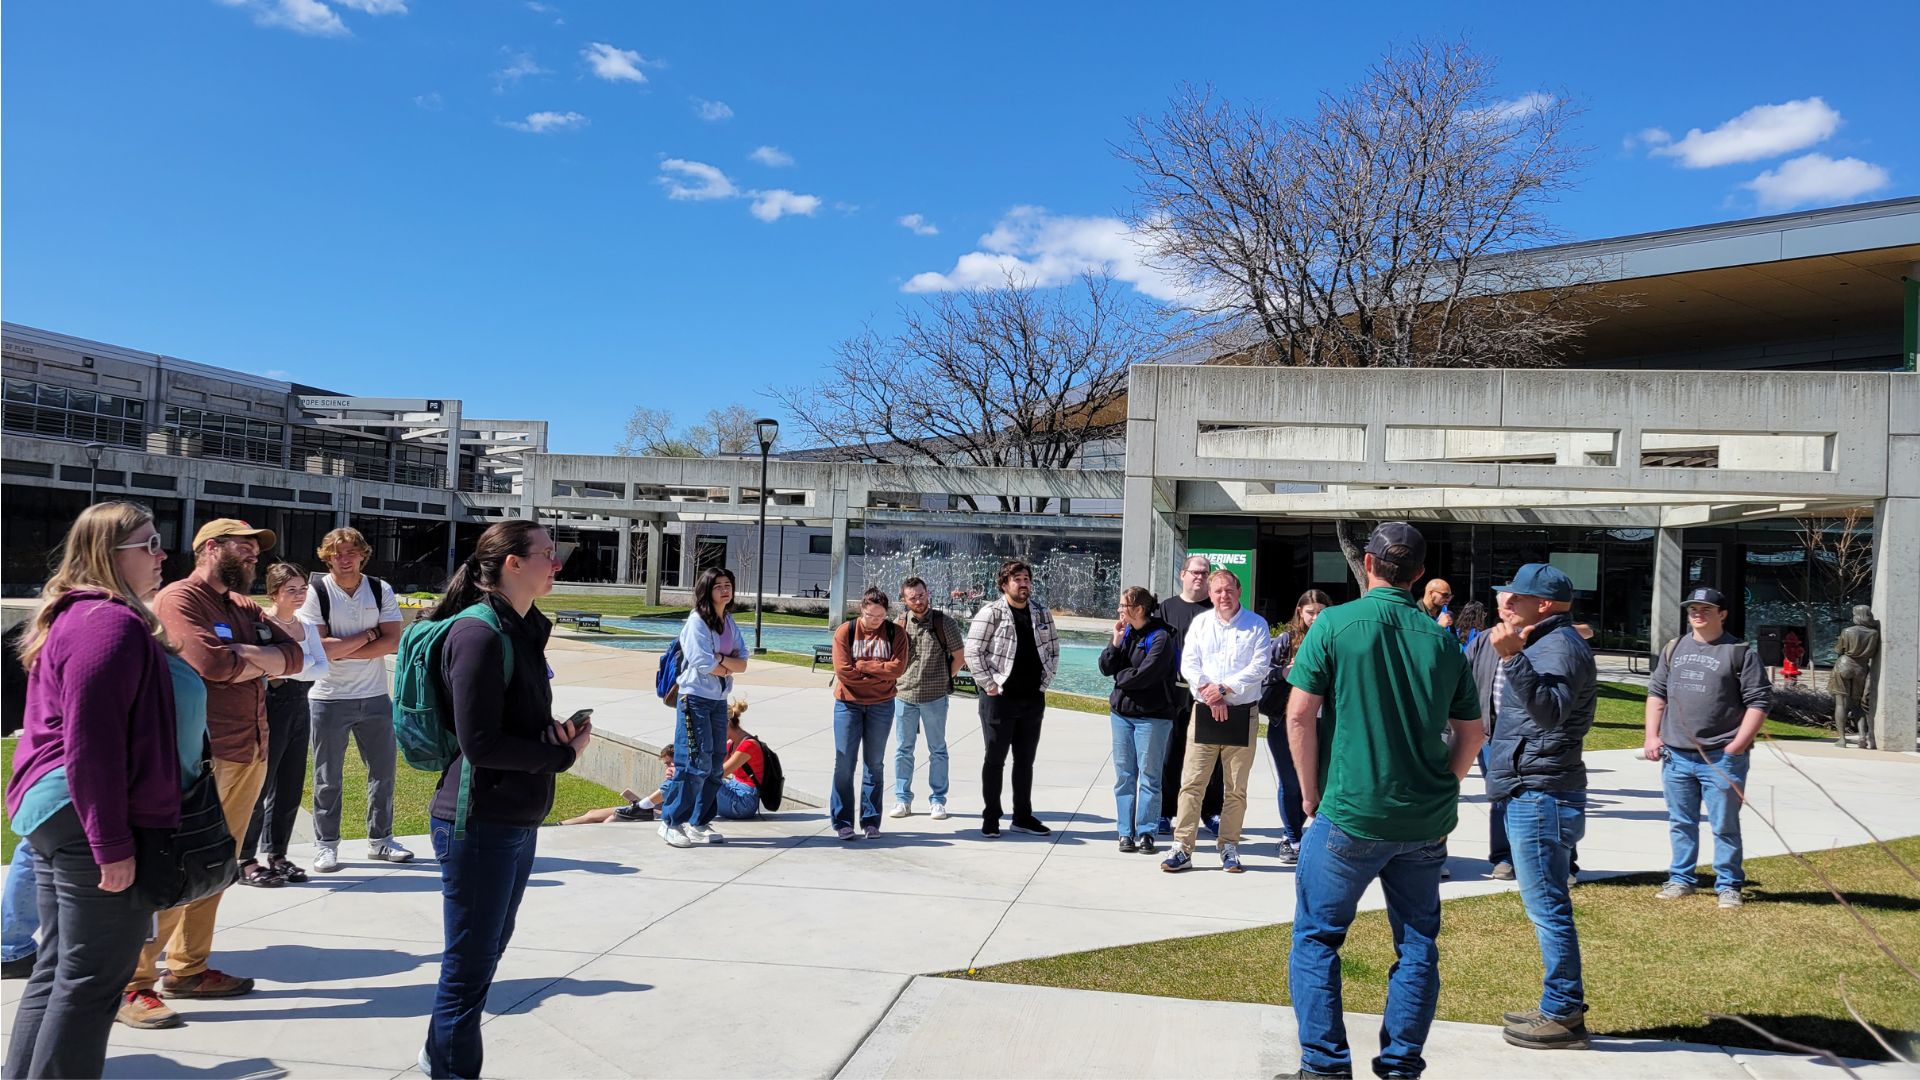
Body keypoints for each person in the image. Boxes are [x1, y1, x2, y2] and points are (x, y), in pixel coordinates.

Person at [1282, 522, 1483, 1080]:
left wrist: (1309, 793)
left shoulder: (1337, 625)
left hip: (1349, 812)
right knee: (1417, 945)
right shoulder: (1442, 639)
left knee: (1317, 939)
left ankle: (1325, 1068)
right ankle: (1400, 1068)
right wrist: (1446, 784)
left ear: (1367, 563)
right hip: (1424, 820)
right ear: (1419, 575)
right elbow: (1472, 731)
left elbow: (1298, 715)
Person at [4, 502, 195, 1073]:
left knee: (62, 969)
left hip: (62, 811)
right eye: (150, 544)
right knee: (92, 981)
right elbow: (94, 745)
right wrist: (111, 845)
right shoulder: (106, 622)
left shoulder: (80, 615)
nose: (163, 555)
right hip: (85, 817)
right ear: (110, 556)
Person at [421, 519, 591, 1079]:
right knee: (467, 972)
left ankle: (435, 1058)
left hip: (514, 818)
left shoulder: (520, 628)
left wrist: (551, 736)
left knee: (483, 957)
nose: (556, 563)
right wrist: (561, 757)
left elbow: (509, 725)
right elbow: (481, 743)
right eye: (547, 554)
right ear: (513, 564)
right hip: (477, 821)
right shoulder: (479, 634)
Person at [126, 518, 306, 1026]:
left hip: (250, 748)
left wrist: (258, 655)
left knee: (218, 866)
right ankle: (133, 982)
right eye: (243, 547)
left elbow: (297, 656)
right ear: (209, 548)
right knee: (177, 867)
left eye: (257, 548)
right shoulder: (180, 600)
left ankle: (187, 968)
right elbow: (212, 664)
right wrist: (260, 658)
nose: (254, 555)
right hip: (199, 757)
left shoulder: (243, 606)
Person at [1480, 565, 1598, 1052]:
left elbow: (1549, 710)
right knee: (1546, 905)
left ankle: (1564, 1013)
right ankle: (1558, 1004)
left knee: (1548, 908)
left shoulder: (1560, 647)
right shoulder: (1546, 640)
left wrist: (1512, 659)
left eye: (1516, 596)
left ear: (1545, 604)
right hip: (1533, 789)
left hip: (1543, 794)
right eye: (1504, 594)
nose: (1504, 601)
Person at [1644, 586, 1771, 909]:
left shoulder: (1739, 652)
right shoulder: (1674, 648)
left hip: (1720, 757)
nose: (1697, 614)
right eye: (1692, 609)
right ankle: (1681, 879)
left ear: (1722, 614)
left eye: (1705, 609)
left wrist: (1737, 746)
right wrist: (1651, 736)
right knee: (1680, 821)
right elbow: (1657, 694)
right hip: (1675, 754)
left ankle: (1728, 884)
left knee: (1724, 824)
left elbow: (1759, 702)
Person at [298, 526, 409, 873]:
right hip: (329, 697)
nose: (343, 559)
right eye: (335, 553)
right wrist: (368, 636)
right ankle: (326, 845)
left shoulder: (379, 588)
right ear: (326, 556)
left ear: (363, 554)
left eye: (350, 552)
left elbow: (393, 641)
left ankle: (381, 841)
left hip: (375, 696)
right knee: (327, 777)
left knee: (383, 773)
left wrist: (343, 647)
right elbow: (319, 648)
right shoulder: (317, 591)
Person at [1161, 569, 1270, 874]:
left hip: (1242, 712)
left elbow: (1260, 665)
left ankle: (1229, 847)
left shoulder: (1256, 625)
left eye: (1229, 590)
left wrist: (1224, 688)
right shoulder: (1201, 624)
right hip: (1206, 711)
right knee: (1192, 782)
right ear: (1210, 595)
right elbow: (1189, 664)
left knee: (1235, 787)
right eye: (1218, 591)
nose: (1224, 596)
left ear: (1239, 590)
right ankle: (1182, 847)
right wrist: (1212, 695)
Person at [238, 562, 329, 887]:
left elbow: (321, 668)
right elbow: (260, 666)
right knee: (260, 785)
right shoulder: (261, 623)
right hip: (269, 708)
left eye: (303, 588)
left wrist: (286, 668)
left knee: (290, 786)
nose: (299, 594)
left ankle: (278, 854)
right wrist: (295, 666)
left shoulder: (305, 623)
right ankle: (246, 859)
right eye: (291, 589)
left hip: (299, 706)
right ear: (273, 592)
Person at [963, 560, 1060, 839]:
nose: (1024, 583)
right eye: (1017, 579)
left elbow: (1054, 650)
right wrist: (989, 685)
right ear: (1005, 585)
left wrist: (1045, 681)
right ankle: (991, 817)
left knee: (1025, 761)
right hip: (999, 699)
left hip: (1032, 699)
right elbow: (973, 652)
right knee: (995, 759)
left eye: (1027, 578)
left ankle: (1022, 816)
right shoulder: (991, 613)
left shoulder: (1042, 613)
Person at [661, 568, 746, 849]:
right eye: (718, 585)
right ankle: (671, 821)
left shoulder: (729, 622)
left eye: (728, 585)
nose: (725, 590)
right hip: (694, 698)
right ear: (707, 590)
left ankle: (699, 821)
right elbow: (701, 662)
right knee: (693, 761)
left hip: (718, 700)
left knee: (714, 762)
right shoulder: (697, 621)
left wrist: (721, 660)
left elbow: (743, 661)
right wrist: (724, 664)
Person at [1098, 586, 1177, 853]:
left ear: (1139, 609)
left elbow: (1147, 674)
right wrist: (1116, 641)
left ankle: (1146, 832)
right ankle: (1125, 832)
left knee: (1150, 776)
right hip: (1122, 715)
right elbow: (1105, 667)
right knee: (1124, 775)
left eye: (1123, 605)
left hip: (1152, 718)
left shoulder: (1161, 637)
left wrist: (1120, 679)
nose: (1119, 610)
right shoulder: (1126, 632)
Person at [1155, 554, 1225, 838]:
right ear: (1182, 574)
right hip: (1172, 694)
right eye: (1194, 572)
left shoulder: (1217, 610)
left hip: (1209, 697)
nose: (1199, 576)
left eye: (1204, 573)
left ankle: (1211, 811)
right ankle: (1164, 812)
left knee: (1211, 756)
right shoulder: (1165, 609)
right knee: (1170, 754)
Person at [832, 589, 909, 840]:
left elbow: (897, 668)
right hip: (848, 704)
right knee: (844, 762)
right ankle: (842, 820)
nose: (874, 621)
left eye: (880, 616)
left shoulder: (895, 633)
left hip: (881, 705)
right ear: (860, 609)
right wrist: (878, 675)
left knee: (874, 764)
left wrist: (864, 666)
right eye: (869, 615)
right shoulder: (846, 631)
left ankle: (871, 821)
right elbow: (844, 671)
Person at [1260, 589, 1328, 867]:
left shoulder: (1332, 639)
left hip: (1322, 721)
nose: (1315, 617)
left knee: (1314, 781)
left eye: (1321, 612)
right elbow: (1262, 673)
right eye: (1310, 612)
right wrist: (1284, 672)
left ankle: (1310, 835)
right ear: (1300, 612)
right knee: (1290, 781)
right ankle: (1292, 837)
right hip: (1284, 720)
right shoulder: (1286, 641)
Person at [889, 577, 965, 820]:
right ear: (904, 600)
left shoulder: (945, 623)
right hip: (904, 694)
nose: (918, 600)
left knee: (938, 749)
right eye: (912, 597)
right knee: (903, 749)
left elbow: (959, 657)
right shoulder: (898, 624)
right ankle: (902, 799)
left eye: (921, 595)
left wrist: (943, 679)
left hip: (934, 696)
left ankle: (938, 800)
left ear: (928, 593)